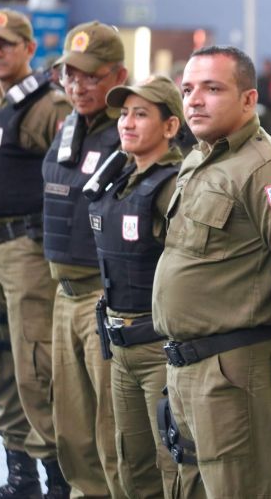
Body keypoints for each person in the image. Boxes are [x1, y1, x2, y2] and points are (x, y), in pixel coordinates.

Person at [152, 45, 271, 498]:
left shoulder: (265, 166)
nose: (195, 100)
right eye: (189, 89)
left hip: (234, 372)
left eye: (212, 89)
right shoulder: (199, 159)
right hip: (187, 368)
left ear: (249, 100)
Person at [0, 8, 71, 499]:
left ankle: (59, 479)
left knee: (36, 368)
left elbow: (74, 177)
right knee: (2, 363)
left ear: (29, 49)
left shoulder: (48, 105)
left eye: (6, 44)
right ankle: (21, 475)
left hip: (26, 251)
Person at [42, 21, 128, 499]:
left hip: (105, 296)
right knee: (71, 428)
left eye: (91, 76)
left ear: (119, 75)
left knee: (112, 428)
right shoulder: (69, 124)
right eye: (70, 75)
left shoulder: (133, 128)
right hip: (64, 294)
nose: (78, 85)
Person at [88, 75, 184, 498]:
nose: (127, 123)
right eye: (124, 113)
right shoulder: (122, 177)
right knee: (133, 465)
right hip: (120, 343)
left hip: (158, 348)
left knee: (173, 465)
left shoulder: (174, 186)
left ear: (170, 126)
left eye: (141, 114)